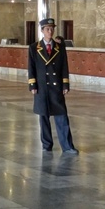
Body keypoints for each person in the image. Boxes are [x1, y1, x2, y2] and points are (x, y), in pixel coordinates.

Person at [28, 17, 78, 154]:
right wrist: (32, 85)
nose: (50, 31)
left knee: (61, 115)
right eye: (47, 29)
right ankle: (46, 145)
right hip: (42, 87)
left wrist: (65, 84)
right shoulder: (34, 47)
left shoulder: (59, 47)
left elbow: (64, 66)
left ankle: (67, 146)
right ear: (42, 30)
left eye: (52, 29)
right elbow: (31, 68)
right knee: (44, 117)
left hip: (56, 87)